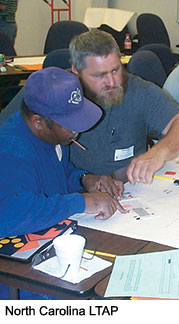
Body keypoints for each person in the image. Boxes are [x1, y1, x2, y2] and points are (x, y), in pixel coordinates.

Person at [1, 30, 179, 185]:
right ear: (75, 72)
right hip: (73, 194)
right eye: (99, 75)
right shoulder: (50, 91)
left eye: (116, 70)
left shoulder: (137, 89)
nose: (112, 81)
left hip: (132, 191)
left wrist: (158, 153)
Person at [0, 67, 127, 237]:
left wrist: (84, 179)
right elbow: (9, 216)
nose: (77, 130)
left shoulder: (54, 136)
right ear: (38, 121)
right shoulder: (10, 150)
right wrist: (81, 202)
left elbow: (55, 174)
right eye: (70, 123)